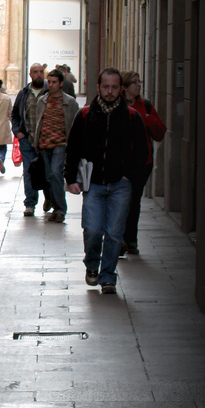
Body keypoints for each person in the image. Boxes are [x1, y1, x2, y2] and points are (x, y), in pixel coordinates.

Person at [65, 67, 148, 294]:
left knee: (114, 232)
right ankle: (92, 265)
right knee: (92, 229)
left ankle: (108, 276)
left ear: (121, 89)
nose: (110, 92)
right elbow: (72, 148)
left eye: (114, 87)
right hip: (94, 183)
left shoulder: (132, 117)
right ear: (98, 87)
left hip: (121, 184)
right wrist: (70, 178)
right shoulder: (85, 115)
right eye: (105, 87)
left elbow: (142, 152)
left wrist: (130, 176)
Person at [120, 70, 166, 254]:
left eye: (139, 82)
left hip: (141, 163)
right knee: (122, 201)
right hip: (121, 162)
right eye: (134, 82)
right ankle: (121, 239)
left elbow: (160, 133)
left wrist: (148, 119)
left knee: (134, 201)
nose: (138, 85)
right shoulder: (117, 106)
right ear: (125, 87)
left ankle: (130, 240)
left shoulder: (145, 106)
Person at [32, 68, 80, 222]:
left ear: (60, 83)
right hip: (44, 144)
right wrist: (36, 142)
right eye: (49, 82)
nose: (50, 85)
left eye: (54, 82)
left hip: (61, 143)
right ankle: (55, 206)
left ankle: (60, 209)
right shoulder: (42, 100)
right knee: (48, 177)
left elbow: (75, 123)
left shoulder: (69, 102)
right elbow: (39, 121)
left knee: (55, 174)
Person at [12, 62, 51, 216]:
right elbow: (14, 114)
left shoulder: (50, 92)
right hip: (27, 140)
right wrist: (18, 132)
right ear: (30, 74)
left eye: (41, 72)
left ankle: (50, 198)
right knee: (29, 172)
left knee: (49, 172)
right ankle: (30, 204)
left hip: (47, 141)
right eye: (35, 72)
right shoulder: (24, 93)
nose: (39, 75)